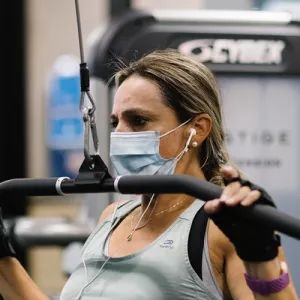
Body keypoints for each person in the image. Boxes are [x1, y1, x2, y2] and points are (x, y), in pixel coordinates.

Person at [0, 49, 298, 300]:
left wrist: (262, 258)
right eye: (116, 121)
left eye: (138, 120)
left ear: (198, 129)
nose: (120, 134)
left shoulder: (218, 228)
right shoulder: (113, 216)